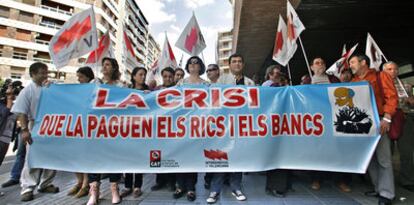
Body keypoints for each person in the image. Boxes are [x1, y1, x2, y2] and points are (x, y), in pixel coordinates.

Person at [349, 54, 398, 205]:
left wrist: (387, 118)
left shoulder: (380, 75)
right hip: (362, 123)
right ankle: (378, 188)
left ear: (363, 62)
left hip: (379, 120)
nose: (350, 65)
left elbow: (391, 97)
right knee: (370, 158)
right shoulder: (354, 81)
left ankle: (387, 194)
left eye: (352, 62)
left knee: (384, 158)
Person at [11, 62, 60, 202]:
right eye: (42, 73)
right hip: (35, 125)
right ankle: (27, 187)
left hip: (51, 125)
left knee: (52, 156)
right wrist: (25, 130)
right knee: (32, 157)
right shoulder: (28, 90)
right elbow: (21, 112)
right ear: (33, 74)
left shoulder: (49, 88)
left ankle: (46, 183)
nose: (45, 75)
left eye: (46, 72)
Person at [207, 54, 251, 204]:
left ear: (243, 64)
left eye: (240, 61)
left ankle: (236, 187)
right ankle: (215, 190)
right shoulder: (221, 80)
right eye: (234, 61)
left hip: (241, 126)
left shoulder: (250, 82)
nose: (237, 64)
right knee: (221, 157)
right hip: (223, 127)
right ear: (229, 64)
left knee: (237, 157)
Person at [309, 57, 350, 192]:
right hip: (316, 121)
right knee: (317, 151)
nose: (320, 65)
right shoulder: (307, 81)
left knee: (337, 150)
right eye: (317, 63)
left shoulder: (333, 80)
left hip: (333, 119)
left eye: (322, 62)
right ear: (311, 67)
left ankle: (340, 180)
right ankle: (316, 179)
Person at [87, 58, 123, 205]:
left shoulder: (121, 85)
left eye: (108, 65)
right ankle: (94, 192)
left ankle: (114, 189)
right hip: (96, 127)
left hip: (113, 127)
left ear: (114, 68)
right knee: (94, 159)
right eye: (103, 65)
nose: (104, 67)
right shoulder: (94, 84)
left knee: (113, 158)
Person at [174, 56, 208, 202]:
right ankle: (180, 186)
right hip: (182, 125)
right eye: (191, 63)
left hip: (198, 125)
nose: (193, 65)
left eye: (196, 63)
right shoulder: (181, 83)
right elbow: (170, 98)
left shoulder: (206, 84)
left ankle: (191, 188)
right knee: (181, 156)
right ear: (187, 67)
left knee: (193, 158)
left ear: (200, 66)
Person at [382, 61, 414, 192]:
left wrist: (411, 101)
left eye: (395, 69)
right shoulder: (380, 85)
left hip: (405, 119)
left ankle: (408, 180)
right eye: (389, 69)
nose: (393, 72)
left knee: (406, 151)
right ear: (384, 71)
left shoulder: (406, 85)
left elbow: (411, 102)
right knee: (386, 153)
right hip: (387, 120)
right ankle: (386, 182)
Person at [120, 67, 150, 199]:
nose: (143, 77)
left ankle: (137, 186)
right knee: (127, 158)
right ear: (133, 76)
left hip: (142, 130)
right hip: (128, 129)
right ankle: (127, 186)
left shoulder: (149, 91)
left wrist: (149, 95)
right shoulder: (126, 90)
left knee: (138, 159)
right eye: (140, 74)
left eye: (144, 75)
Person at [66, 67, 95, 198]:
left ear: (88, 77)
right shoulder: (76, 90)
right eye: (78, 76)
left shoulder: (95, 89)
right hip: (76, 127)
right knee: (74, 155)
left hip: (88, 128)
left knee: (85, 157)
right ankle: (79, 182)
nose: (78, 79)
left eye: (81, 77)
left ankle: (86, 184)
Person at [151, 67, 177, 192]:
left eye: (170, 76)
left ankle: (172, 181)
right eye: (165, 76)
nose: (167, 78)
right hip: (158, 128)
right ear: (162, 77)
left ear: (173, 77)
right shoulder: (156, 90)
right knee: (156, 154)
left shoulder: (178, 90)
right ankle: (159, 180)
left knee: (171, 154)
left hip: (173, 127)